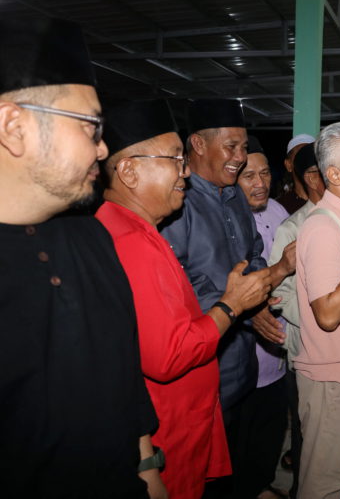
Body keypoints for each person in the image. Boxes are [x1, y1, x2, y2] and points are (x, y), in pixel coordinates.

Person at [0, 18, 160, 498]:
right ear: (13, 127)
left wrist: (148, 469)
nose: (104, 147)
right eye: (91, 126)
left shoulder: (92, 237)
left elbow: (124, 374)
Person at [95, 100, 273, 499]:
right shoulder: (132, 242)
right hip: (168, 431)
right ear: (129, 171)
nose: (185, 171)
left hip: (187, 419)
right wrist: (232, 305)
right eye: (175, 159)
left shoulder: (137, 228)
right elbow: (170, 356)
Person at [160, 99, 294, 498]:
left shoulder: (234, 195)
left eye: (244, 147)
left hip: (240, 363)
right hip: (202, 367)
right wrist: (243, 308)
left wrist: (257, 298)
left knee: (235, 461)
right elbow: (178, 284)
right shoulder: (177, 201)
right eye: (231, 147)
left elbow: (253, 252)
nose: (240, 157)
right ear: (198, 145)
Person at [269, 144, 340, 499]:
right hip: (331, 372)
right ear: (333, 174)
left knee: (337, 471)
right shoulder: (321, 227)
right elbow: (328, 313)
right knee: (322, 483)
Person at [235, 135, 292, 499]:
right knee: (240, 433)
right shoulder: (225, 219)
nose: (260, 183)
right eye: (249, 176)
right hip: (243, 347)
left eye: (265, 173)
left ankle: (261, 485)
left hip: (279, 342)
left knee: (270, 428)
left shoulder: (278, 212)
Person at [276, 133, 315, 214]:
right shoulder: (280, 207)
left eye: (311, 156)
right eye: (300, 156)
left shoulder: (330, 200)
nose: (307, 161)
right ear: (288, 165)